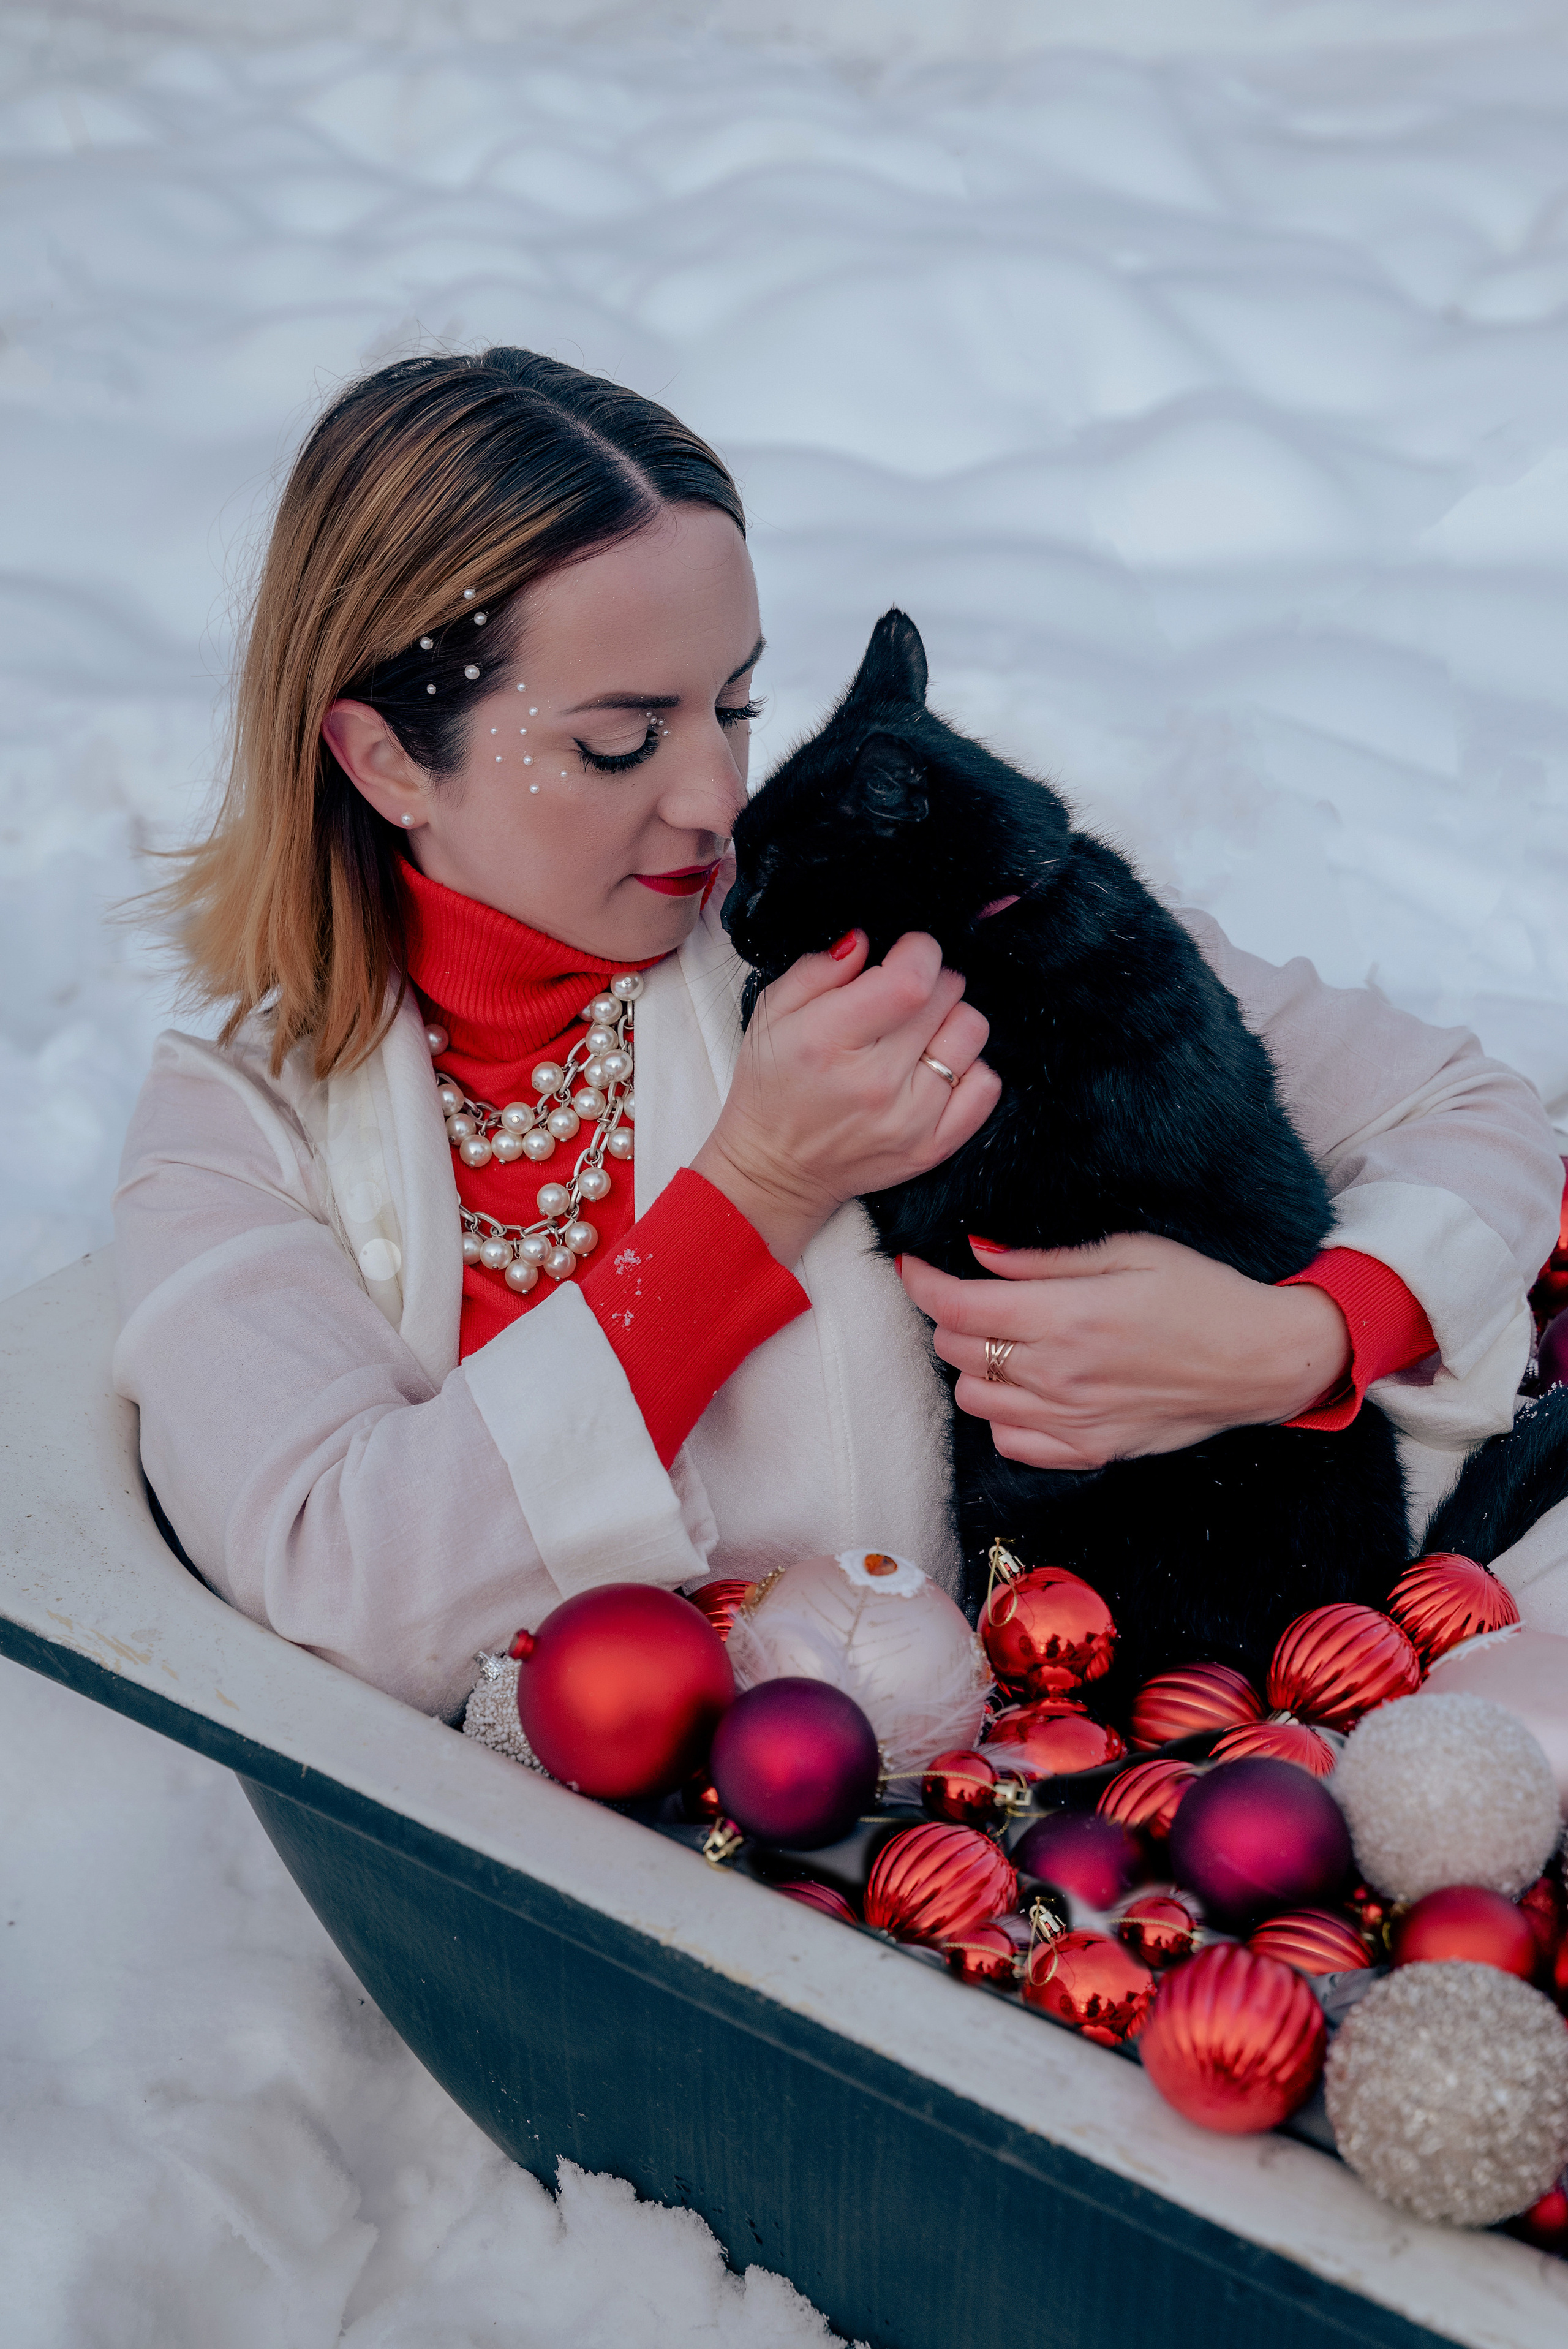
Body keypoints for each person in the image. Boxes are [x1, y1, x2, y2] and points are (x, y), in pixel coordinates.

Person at [113, 348, 1566, 1720]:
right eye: (618, 739)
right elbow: (344, 1586)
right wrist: (755, 1193)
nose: (713, 802)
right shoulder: (237, 1137)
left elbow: (1469, 1111)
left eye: (736, 707)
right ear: (380, 758)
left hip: (1138, 1762)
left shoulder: (893, 934)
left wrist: (1292, 1342)